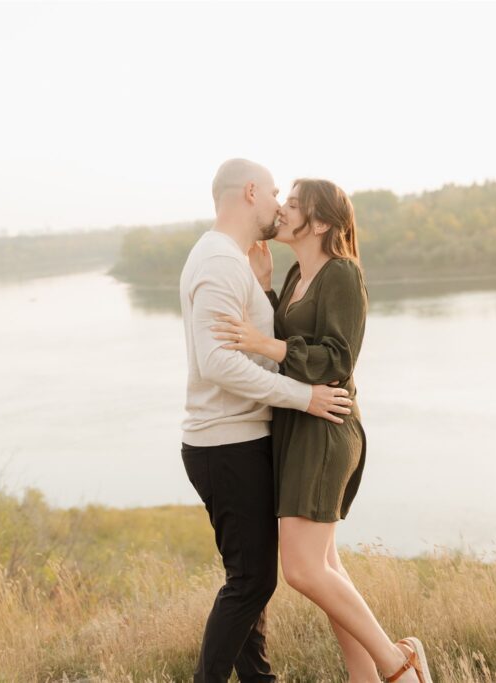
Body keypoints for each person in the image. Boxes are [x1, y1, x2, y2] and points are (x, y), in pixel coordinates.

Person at [210, 178, 434, 683]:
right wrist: (266, 288)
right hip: (297, 428)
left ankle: (399, 663)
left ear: (324, 222)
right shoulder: (295, 276)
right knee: (327, 568)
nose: (283, 210)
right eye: (284, 201)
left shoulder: (342, 275)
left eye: (293, 204)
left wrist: (265, 347)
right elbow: (290, 341)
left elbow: (336, 359)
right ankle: (366, 678)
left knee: (303, 571)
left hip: (327, 429)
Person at [179, 159, 355, 683]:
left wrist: (265, 288)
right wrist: (303, 397)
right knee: (251, 583)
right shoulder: (217, 260)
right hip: (225, 443)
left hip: (239, 439)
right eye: (276, 193)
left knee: (250, 580)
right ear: (250, 192)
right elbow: (218, 362)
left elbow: (258, 344)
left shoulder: (232, 260)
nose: (280, 205)